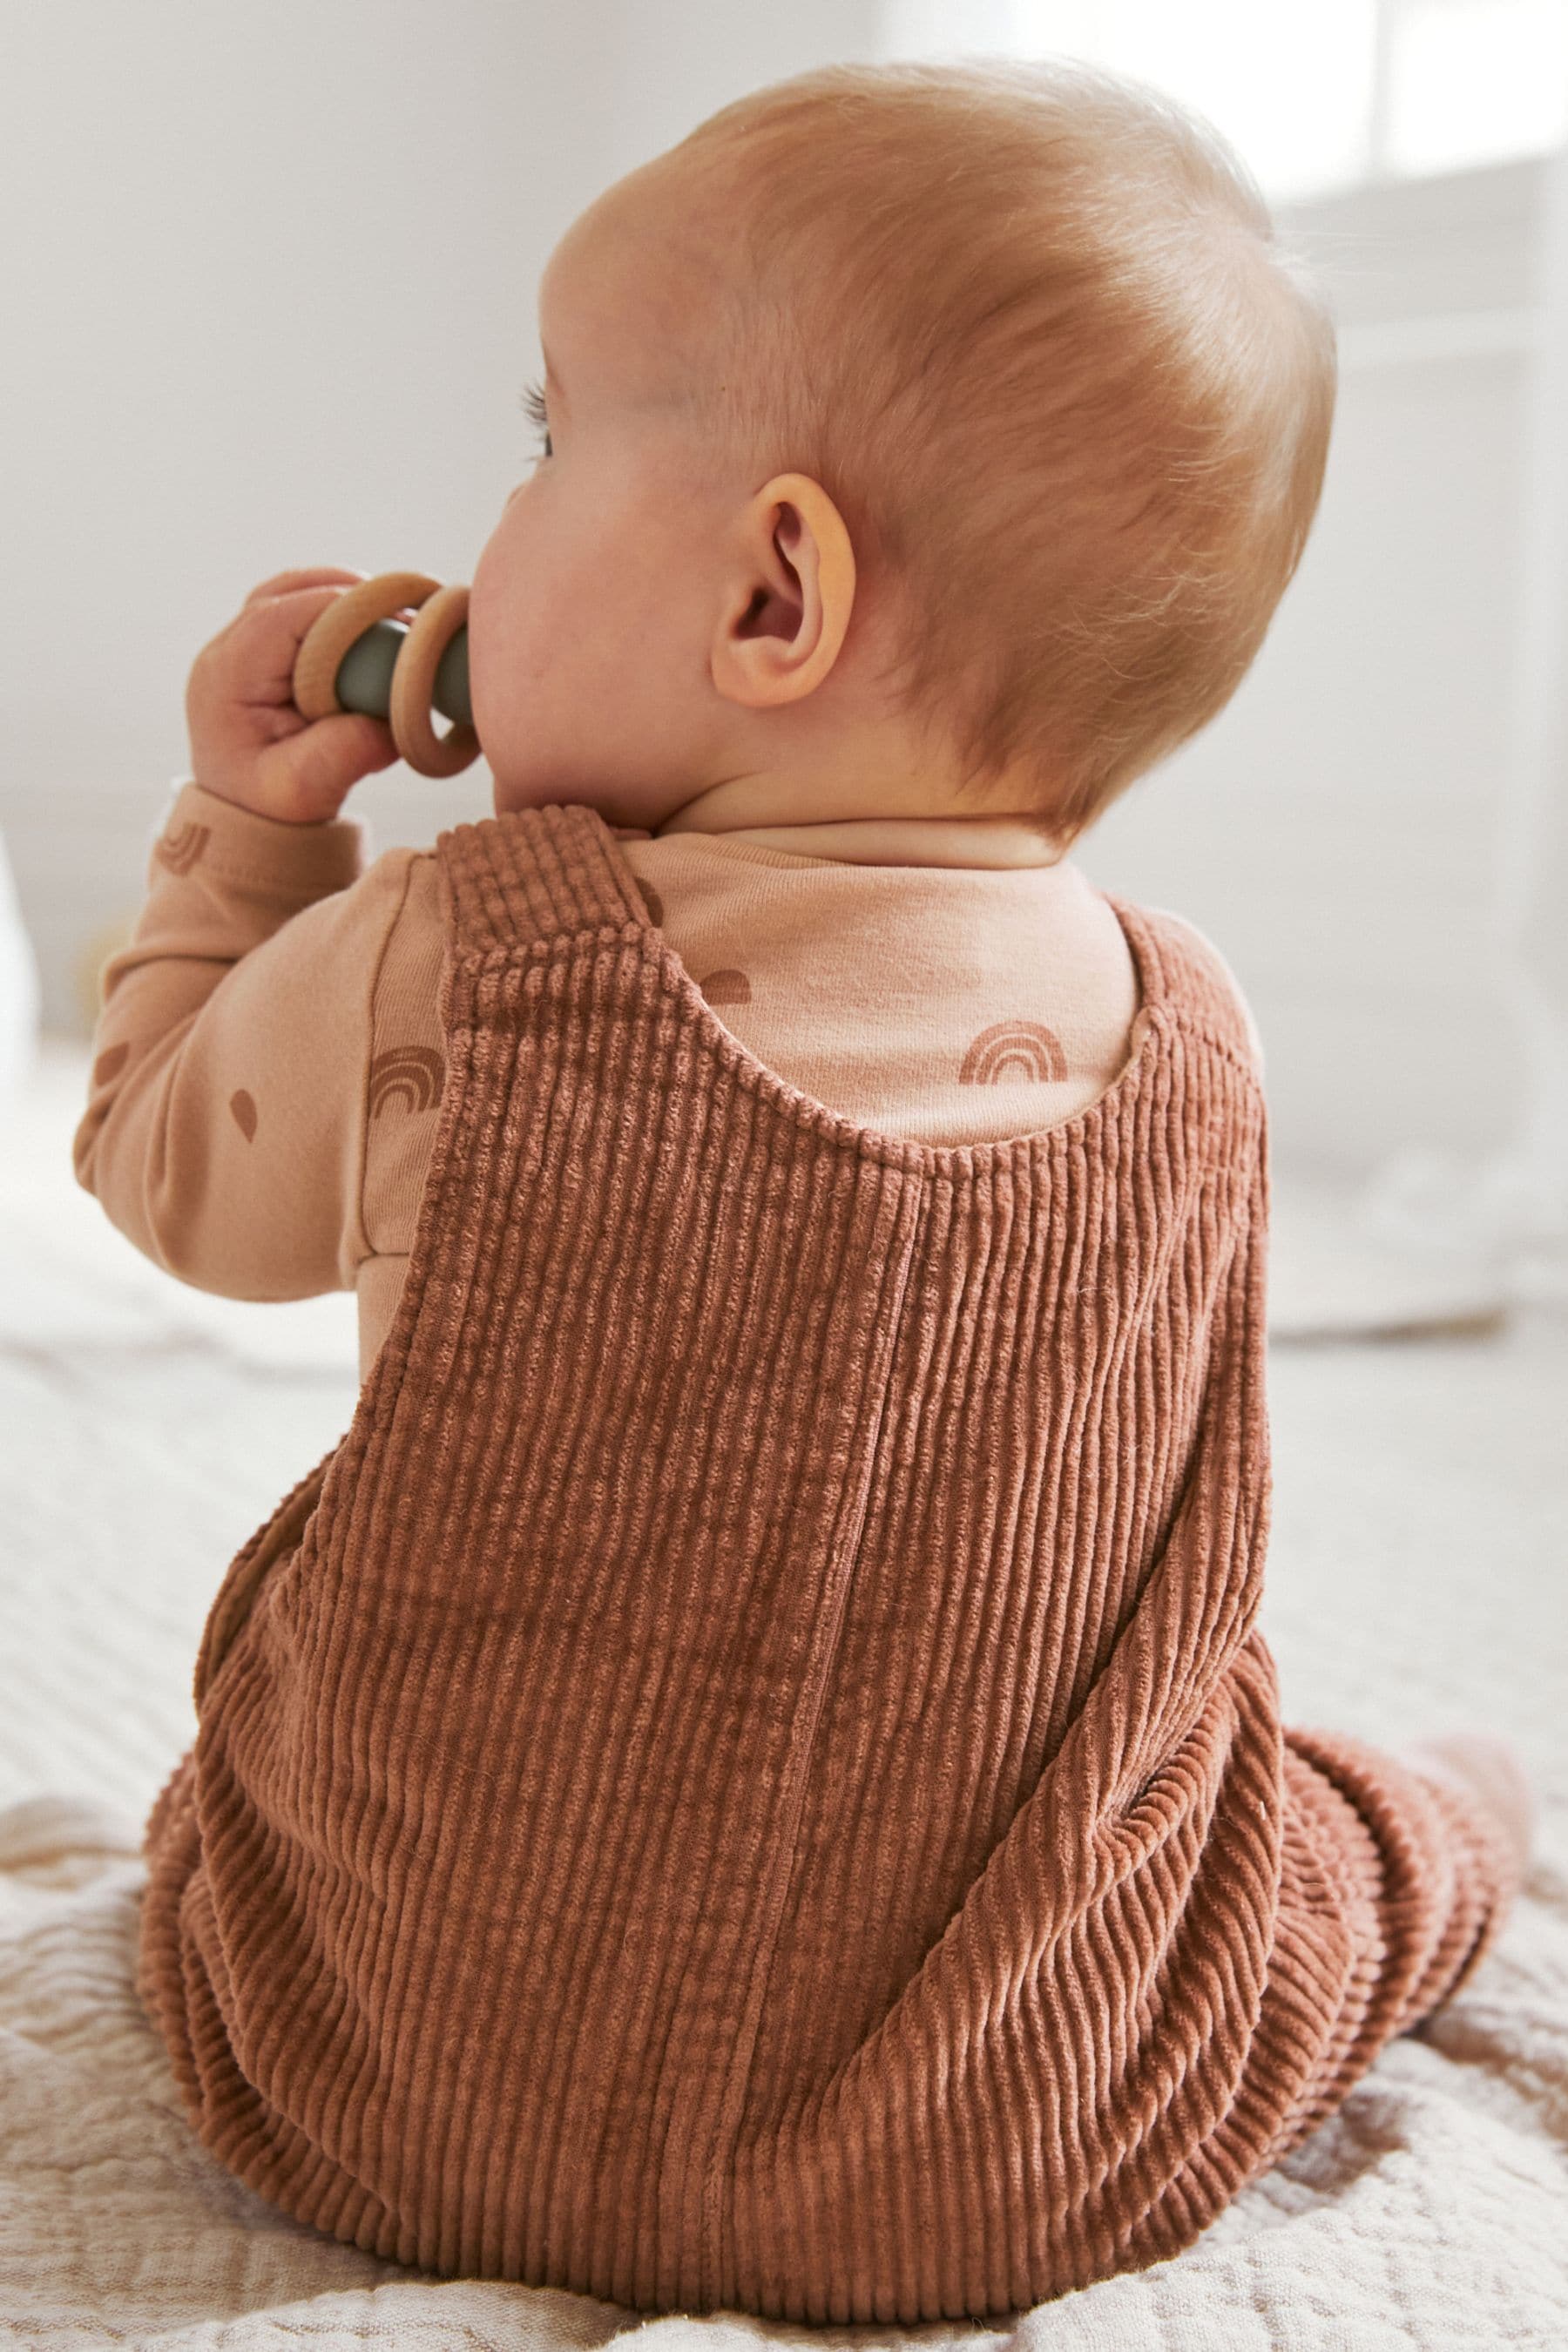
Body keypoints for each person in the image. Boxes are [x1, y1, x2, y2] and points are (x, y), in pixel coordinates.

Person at [72, 56, 1533, 2323]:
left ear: (775, 592)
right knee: (1307, 1858)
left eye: (550, 439)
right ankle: (1475, 1818)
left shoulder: (451, 958)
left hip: (369, 2069)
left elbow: (151, 1156)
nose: (499, 512)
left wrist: (250, 834)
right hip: (1014, 2141)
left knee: (235, 1821)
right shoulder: (1201, 1040)